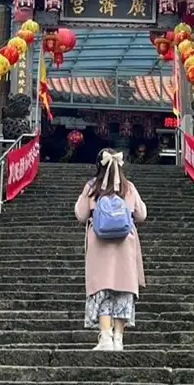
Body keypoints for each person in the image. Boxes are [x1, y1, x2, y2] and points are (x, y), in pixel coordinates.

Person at [75, 148, 147, 351]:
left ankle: (105, 337)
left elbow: (81, 215)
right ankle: (118, 339)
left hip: (99, 245)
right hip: (125, 246)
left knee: (102, 290)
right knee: (122, 292)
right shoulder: (128, 187)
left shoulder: (92, 187)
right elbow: (141, 214)